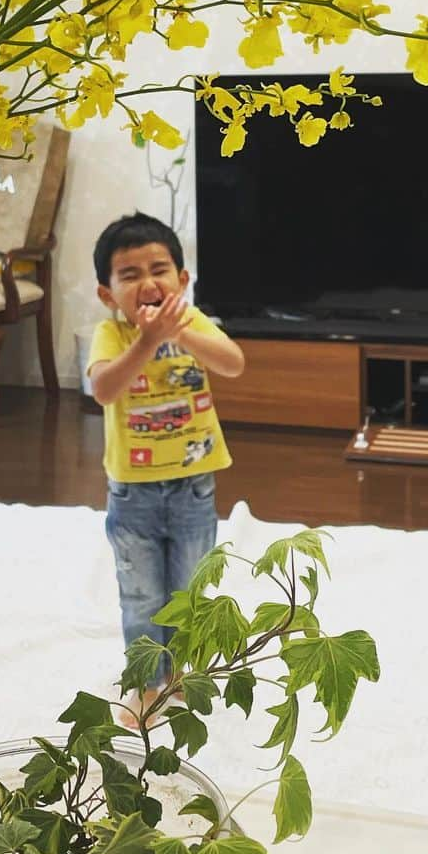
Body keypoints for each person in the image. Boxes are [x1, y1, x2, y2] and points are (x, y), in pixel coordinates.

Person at [88, 212, 245, 726]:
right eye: (129, 274)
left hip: (194, 490)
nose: (147, 282)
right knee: (140, 596)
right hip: (132, 496)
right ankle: (145, 681)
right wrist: (146, 341)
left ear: (181, 281)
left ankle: (179, 673)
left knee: (188, 591)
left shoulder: (193, 323)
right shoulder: (110, 335)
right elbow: (105, 389)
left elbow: (232, 363)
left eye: (159, 269)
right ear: (107, 293)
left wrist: (179, 332)